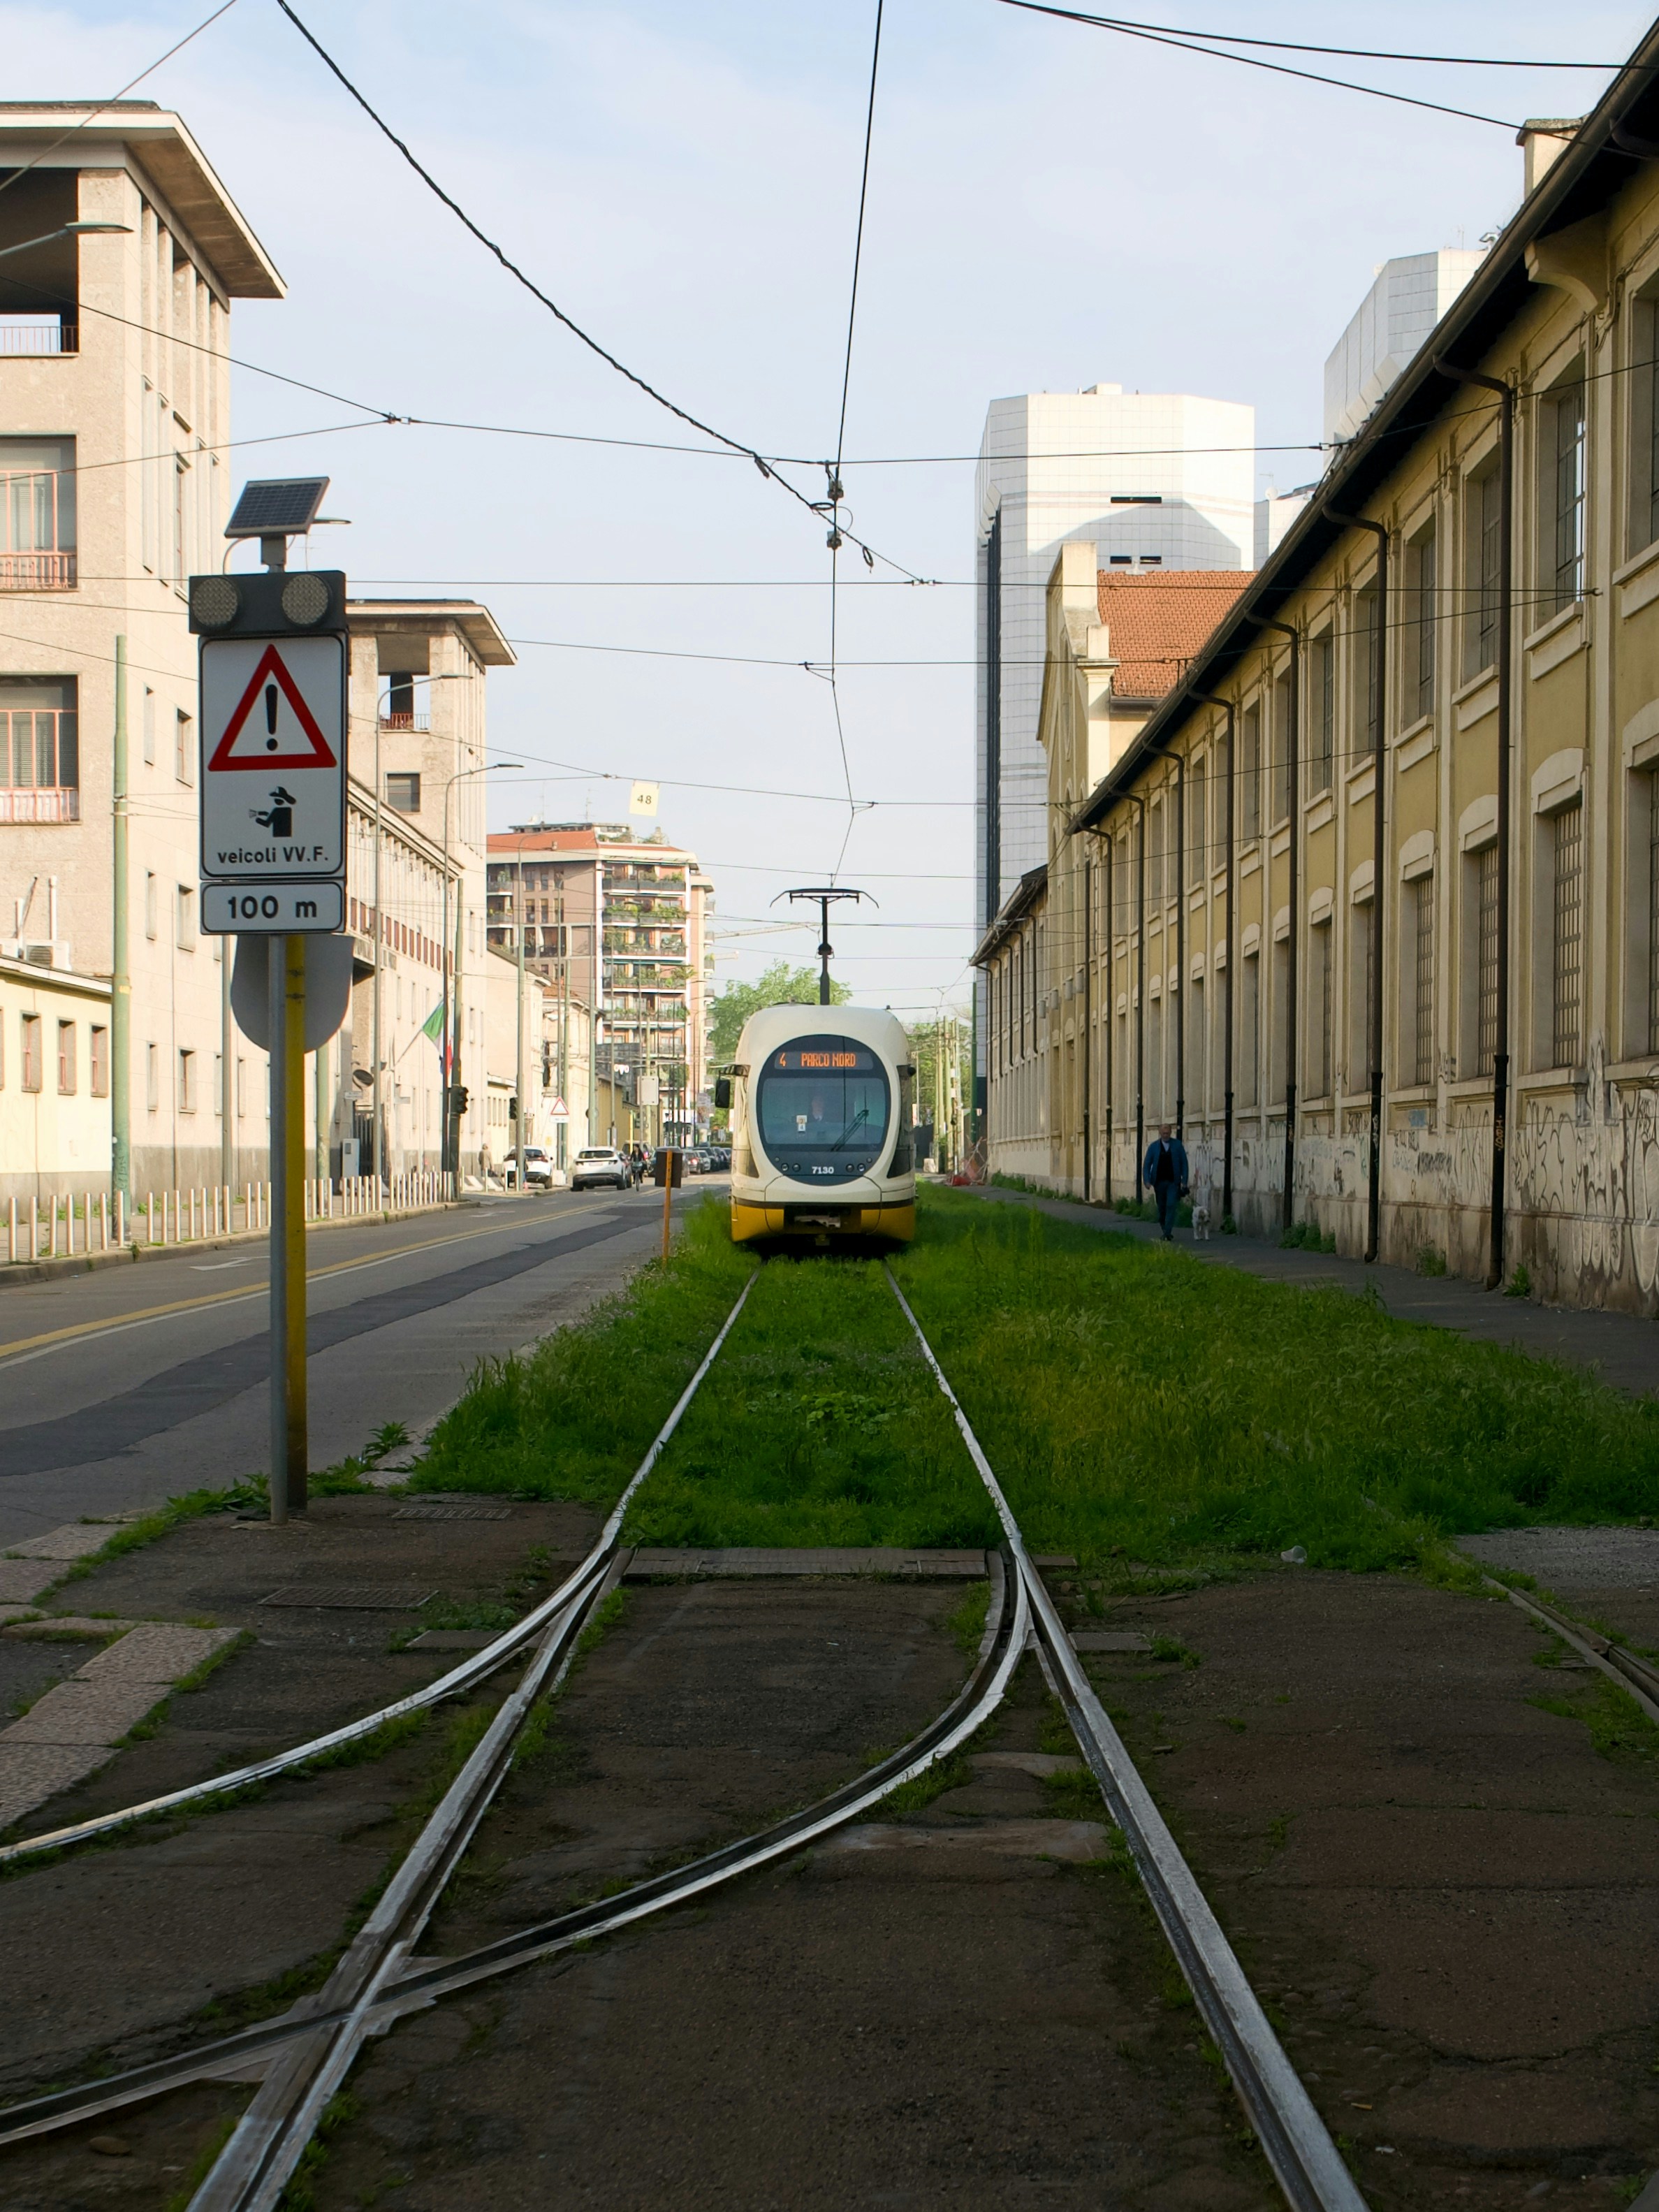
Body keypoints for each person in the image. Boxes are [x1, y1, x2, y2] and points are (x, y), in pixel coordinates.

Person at [1141, 1122, 1188, 1240]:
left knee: (1171, 1205)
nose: (1166, 1135)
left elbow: (1184, 1163)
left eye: (1167, 1133)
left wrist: (1184, 1180)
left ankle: (1168, 1232)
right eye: (1164, 1133)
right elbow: (1147, 1164)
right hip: (1159, 1182)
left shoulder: (1177, 1145)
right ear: (1160, 1133)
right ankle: (1164, 1229)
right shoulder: (1154, 1147)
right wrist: (1147, 1180)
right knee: (1162, 1208)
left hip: (1173, 1182)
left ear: (1171, 1132)